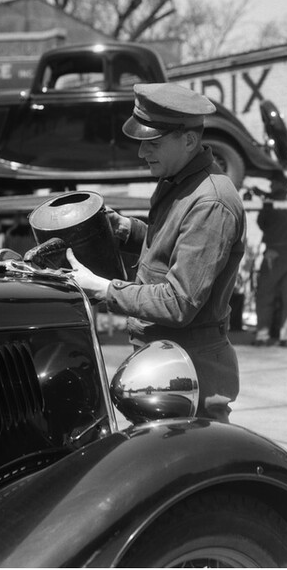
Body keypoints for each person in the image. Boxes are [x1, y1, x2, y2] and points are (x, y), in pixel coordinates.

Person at [66, 82, 247, 423]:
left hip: (190, 370)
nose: (141, 152)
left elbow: (180, 302)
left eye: (153, 143)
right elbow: (175, 246)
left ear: (189, 140)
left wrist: (103, 288)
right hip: (165, 358)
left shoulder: (210, 201)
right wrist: (128, 231)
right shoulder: (179, 182)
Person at [253, 174, 287, 347]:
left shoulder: (270, 204)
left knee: (265, 294)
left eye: (273, 183)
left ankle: (263, 335)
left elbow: (262, 223)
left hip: (274, 252)